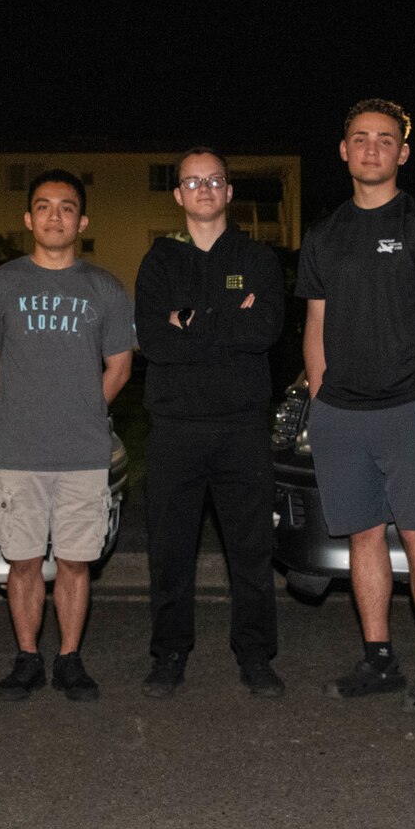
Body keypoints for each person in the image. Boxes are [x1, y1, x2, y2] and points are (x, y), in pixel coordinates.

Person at [297, 99, 415, 712]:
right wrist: (320, 400)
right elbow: (314, 325)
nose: (372, 148)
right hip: (341, 414)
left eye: (385, 139)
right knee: (364, 538)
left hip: (409, 409)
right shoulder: (324, 235)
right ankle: (379, 660)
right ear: (344, 151)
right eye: (360, 138)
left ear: (402, 153)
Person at [0, 169, 134, 702]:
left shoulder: (103, 288)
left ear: (81, 220)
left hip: (83, 453)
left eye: (65, 207)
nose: (53, 216)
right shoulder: (0, 286)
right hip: (19, 451)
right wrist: (17, 412)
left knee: (78, 561)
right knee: (24, 561)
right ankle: (28, 657)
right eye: (43, 206)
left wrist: (79, 412)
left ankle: (70, 659)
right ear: (27, 219)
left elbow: (120, 367)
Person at [134, 148, 287, 698]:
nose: (203, 189)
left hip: (241, 428)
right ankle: (169, 654)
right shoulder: (159, 261)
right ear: (178, 195)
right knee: (170, 550)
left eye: (214, 180)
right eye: (192, 182)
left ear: (228, 192)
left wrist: (190, 319)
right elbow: (153, 340)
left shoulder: (258, 258)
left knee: (250, 552)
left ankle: (255, 655)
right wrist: (227, 317)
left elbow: (265, 328)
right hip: (175, 428)